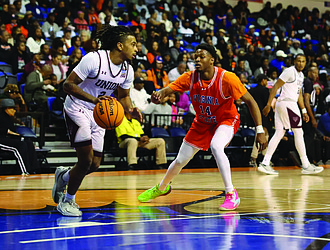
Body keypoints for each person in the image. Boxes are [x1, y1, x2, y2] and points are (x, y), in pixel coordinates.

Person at [138, 43, 267, 211]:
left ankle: (231, 194)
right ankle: (162, 188)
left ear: (212, 60)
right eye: (195, 57)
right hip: (202, 122)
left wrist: (260, 130)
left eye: (202, 57)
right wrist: (158, 95)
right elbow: (166, 90)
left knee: (216, 146)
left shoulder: (227, 78)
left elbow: (251, 101)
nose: (197, 59)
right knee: (180, 160)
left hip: (226, 120)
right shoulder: (190, 77)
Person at [52, 25, 141, 217]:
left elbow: (124, 96)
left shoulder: (128, 70)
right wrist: (93, 100)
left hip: (98, 114)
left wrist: (131, 110)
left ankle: (64, 176)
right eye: (132, 44)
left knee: (95, 164)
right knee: (85, 160)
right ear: (119, 45)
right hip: (77, 108)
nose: (136, 48)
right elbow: (68, 85)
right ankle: (68, 201)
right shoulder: (94, 59)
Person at [258, 54, 324, 175]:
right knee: (299, 132)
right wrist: (268, 104)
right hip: (287, 104)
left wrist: (303, 110)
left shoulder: (301, 75)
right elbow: (275, 86)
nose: (301, 63)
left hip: (286, 104)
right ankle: (305, 165)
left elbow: (299, 94)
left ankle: (265, 163)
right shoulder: (289, 71)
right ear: (294, 61)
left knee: (279, 133)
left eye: (303, 61)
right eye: (298, 61)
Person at [0, 98, 37, 175]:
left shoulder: (9, 118)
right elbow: (6, 131)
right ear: (7, 108)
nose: (15, 111)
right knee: (20, 146)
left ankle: (33, 169)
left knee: (29, 143)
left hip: (7, 139)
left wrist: (19, 136)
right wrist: (7, 131)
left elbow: (13, 132)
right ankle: (23, 171)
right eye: (13, 109)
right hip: (1, 140)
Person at [248, 74, 273, 167]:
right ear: (263, 80)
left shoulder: (251, 91)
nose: (266, 82)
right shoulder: (265, 91)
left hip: (253, 116)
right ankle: (253, 158)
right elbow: (268, 106)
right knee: (260, 136)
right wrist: (271, 116)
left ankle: (265, 159)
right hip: (263, 116)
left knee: (265, 136)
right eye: (266, 80)